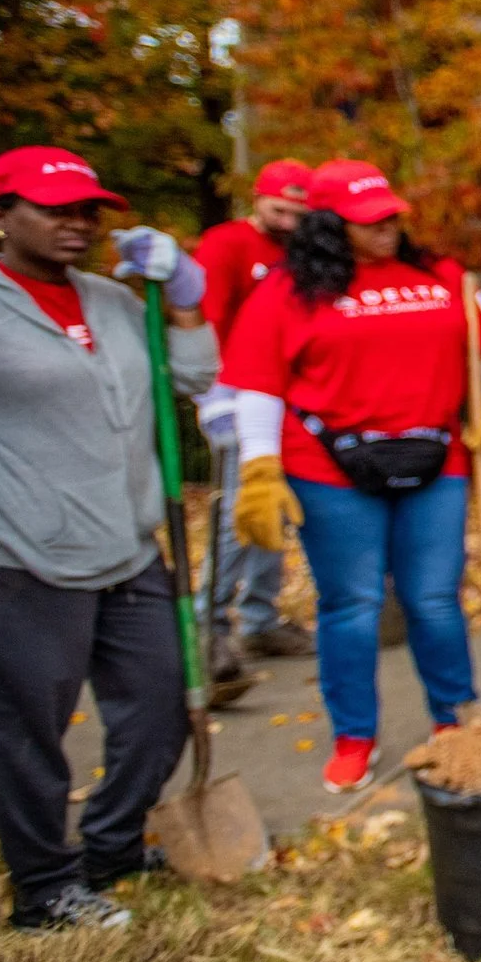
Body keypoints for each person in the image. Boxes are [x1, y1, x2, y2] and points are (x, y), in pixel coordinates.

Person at [0, 147, 215, 930]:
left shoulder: (115, 299)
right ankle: (44, 886)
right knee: (27, 729)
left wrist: (182, 302)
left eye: (87, 210)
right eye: (54, 209)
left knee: (161, 703)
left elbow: (195, 378)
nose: (77, 223)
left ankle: (111, 844)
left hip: (130, 542)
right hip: (21, 550)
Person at [223, 160, 481, 794]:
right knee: (352, 605)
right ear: (330, 225)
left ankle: (455, 720)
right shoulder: (287, 290)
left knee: (434, 599)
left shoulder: (443, 276)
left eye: (391, 218)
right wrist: (258, 467)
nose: (386, 229)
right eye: (369, 222)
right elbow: (256, 383)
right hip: (329, 469)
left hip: (435, 459)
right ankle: (355, 737)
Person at [191, 158, 314, 661]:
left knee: (275, 511)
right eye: (279, 210)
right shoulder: (226, 244)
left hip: (289, 397)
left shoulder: (303, 252)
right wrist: (214, 394)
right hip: (236, 393)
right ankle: (209, 627)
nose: (288, 223)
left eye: (298, 215)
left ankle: (261, 619)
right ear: (257, 200)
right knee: (239, 512)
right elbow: (205, 321)